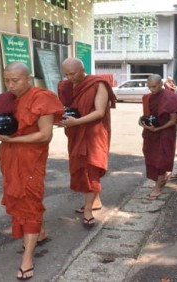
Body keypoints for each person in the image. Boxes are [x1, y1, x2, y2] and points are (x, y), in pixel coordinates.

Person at [0, 62, 63, 280]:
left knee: (30, 202)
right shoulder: (4, 100)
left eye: (15, 80)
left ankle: (27, 258)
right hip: (9, 157)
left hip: (31, 159)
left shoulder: (43, 97)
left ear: (28, 78)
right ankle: (38, 232)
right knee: (16, 199)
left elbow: (45, 135)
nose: (10, 85)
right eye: (7, 80)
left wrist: (14, 139)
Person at [57, 58, 116, 228]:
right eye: (66, 74)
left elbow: (99, 112)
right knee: (80, 167)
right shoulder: (66, 85)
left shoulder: (98, 84)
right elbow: (63, 107)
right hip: (76, 133)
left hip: (93, 133)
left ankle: (88, 210)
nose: (70, 78)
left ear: (83, 69)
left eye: (73, 73)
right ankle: (95, 201)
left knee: (91, 169)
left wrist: (77, 122)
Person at [140, 74, 177, 200]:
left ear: (161, 84)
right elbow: (146, 116)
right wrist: (142, 122)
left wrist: (158, 129)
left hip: (165, 132)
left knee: (162, 158)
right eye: (149, 87)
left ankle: (157, 187)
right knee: (150, 156)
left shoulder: (170, 97)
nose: (152, 89)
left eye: (154, 86)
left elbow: (173, 121)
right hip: (150, 133)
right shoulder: (147, 98)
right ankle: (161, 178)